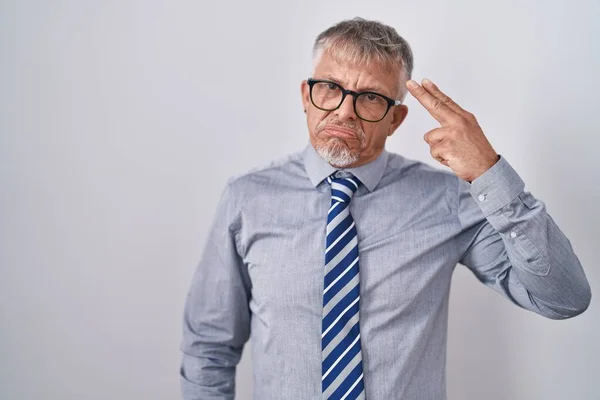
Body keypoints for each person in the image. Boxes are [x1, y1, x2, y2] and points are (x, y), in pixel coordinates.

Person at [179, 17, 591, 400]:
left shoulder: (448, 200)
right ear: (306, 95)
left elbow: (564, 299)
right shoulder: (248, 198)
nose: (343, 110)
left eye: (371, 97)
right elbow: (209, 348)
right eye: (329, 88)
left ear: (395, 119)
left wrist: (490, 174)